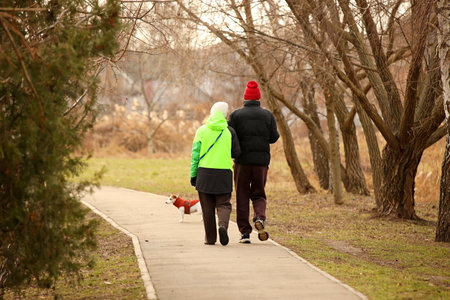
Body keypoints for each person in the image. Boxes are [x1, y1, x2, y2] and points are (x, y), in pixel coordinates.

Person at [228, 81, 280, 244]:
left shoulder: (236, 115)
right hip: (261, 163)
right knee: (258, 193)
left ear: (245, 98)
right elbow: (274, 137)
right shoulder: (267, 115)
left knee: (242, 195)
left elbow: (230, 136)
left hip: (242, 162)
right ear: (258, 98)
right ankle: (259, 218)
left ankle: (245, 233)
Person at [190, 101, 241, 246]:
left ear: (211, 113)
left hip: (204, 173)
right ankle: (223, 225)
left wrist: (193, 175)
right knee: (224, 204)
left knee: (207, 207)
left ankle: (210, 238)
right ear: (225, 115)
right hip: (224, 174)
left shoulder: (201, 130)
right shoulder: (229, 131)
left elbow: (195, 156)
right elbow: (237, 152)